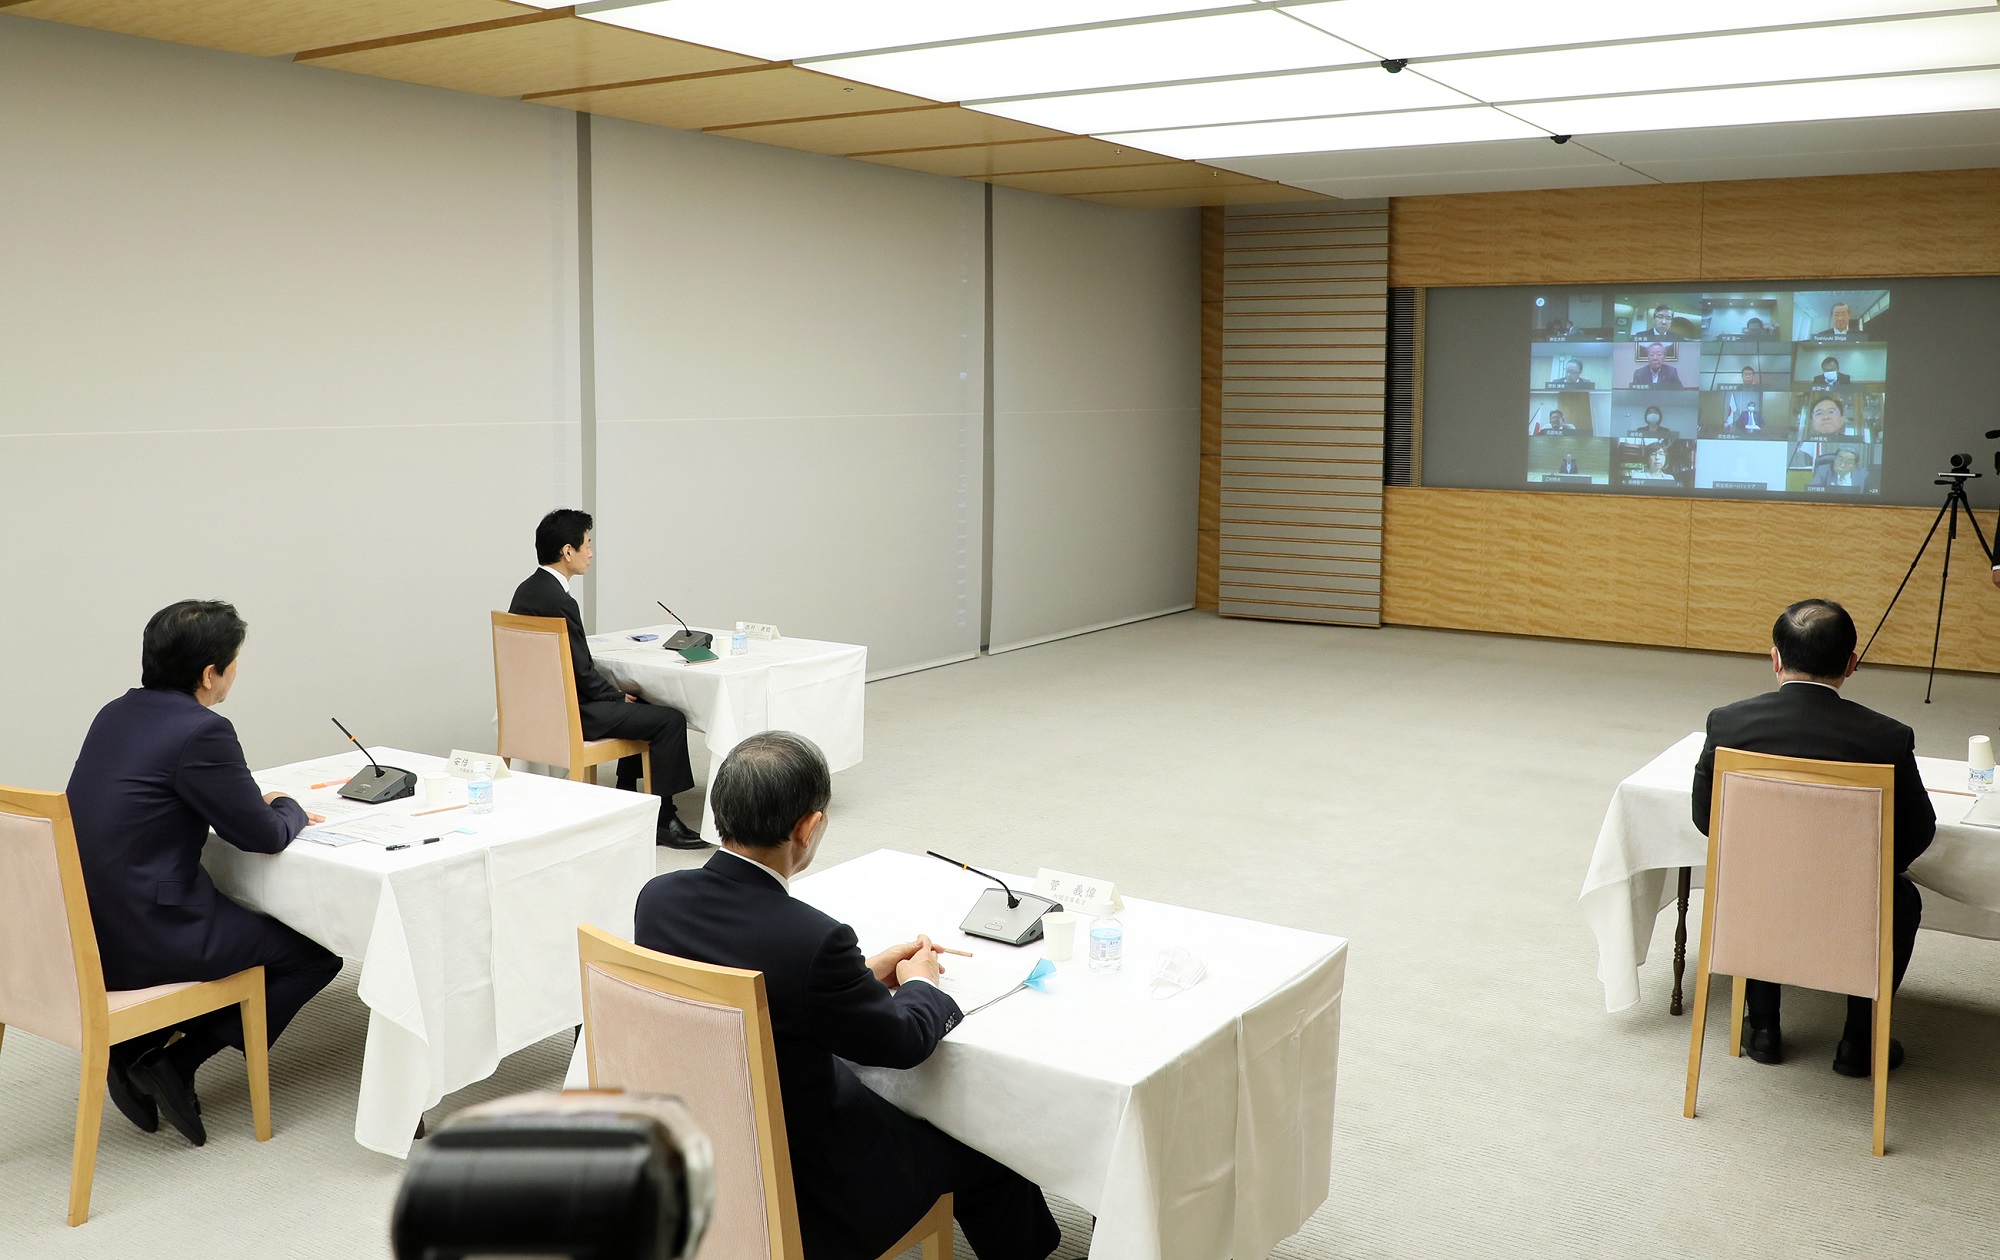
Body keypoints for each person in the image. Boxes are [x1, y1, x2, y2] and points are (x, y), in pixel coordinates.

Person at [633, 732, 1062, 1260]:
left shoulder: (659, 897)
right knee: (987, 1149)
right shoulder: (813, 939)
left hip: (699, 1149)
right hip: (810, 1184)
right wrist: (921, 981)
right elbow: (901, 1044)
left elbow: (758, 980)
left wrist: (858, 977)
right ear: (808, 827)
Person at [65, 600, 343, 1146]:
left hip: (87, 929)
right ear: (210, 674)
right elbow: (262, 836)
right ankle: (175, 1062)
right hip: (153, 930)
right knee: (315, 955)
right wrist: (285, 805)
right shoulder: (202, 731)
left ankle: (132, 1047)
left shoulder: (114, 714)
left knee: (242, 916)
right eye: (233, 662)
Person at [1691, 600, 1933, 1076]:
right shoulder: (1886, 738)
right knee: (1900, 898)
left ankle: (1763, 1029)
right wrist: (1862, 870)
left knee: (1752, 883)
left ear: (1775, 659)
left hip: (1761, 895)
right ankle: (1860, 1042)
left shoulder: (1728, 724)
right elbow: (1918, 832)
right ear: (1851, 664)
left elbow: (1706, 819)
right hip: (1852, 900)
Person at [509, 509, 702, 848]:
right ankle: (663, 819)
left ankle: (626, 791)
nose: (590, 553)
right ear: (568, 551)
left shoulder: (527, 591)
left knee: (640, 703)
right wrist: (615, 694)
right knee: (669, 719)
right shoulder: (559, 601)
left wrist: (615, 692)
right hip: (571, 714)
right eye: (587, 544)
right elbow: (582, 673)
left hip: (538, 709)